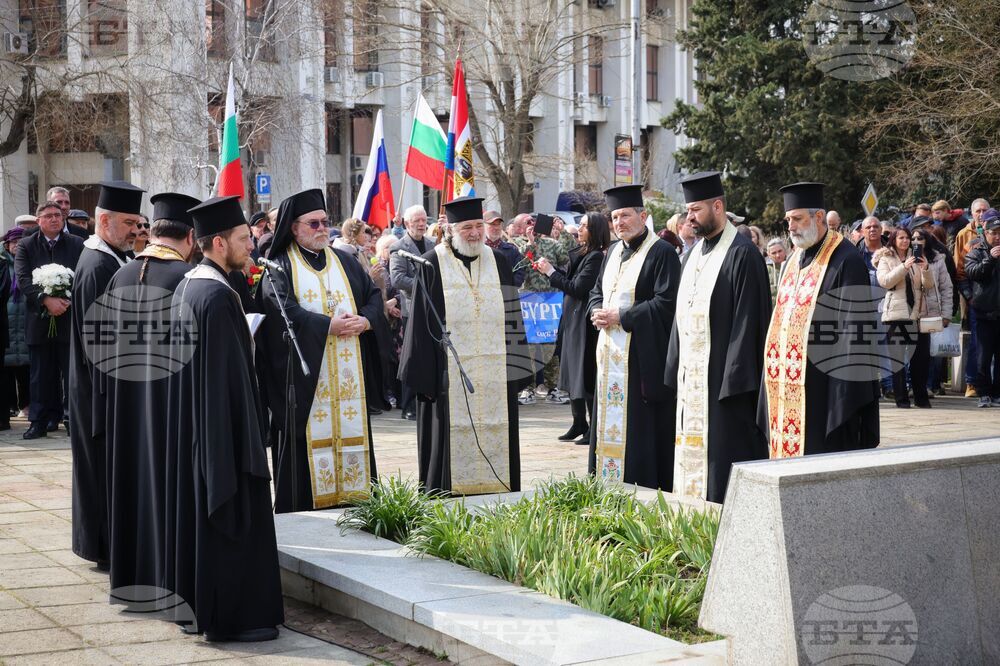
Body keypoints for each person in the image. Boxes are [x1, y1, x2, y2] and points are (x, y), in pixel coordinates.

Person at [165, 195, 283, 641]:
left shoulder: (190, 285)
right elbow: (228, 385)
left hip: (198, 429)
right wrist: (248, 441)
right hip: (222, 436)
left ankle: (201, 609)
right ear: (218, 242)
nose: (250, 246)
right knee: (230, 518)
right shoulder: (215, 296)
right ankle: (233, 617)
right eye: (242, 239)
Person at [102, 192, 199, 602]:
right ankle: (169, 578)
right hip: (168, 407)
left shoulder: (121, 276)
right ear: (191, 238)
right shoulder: (187, 281)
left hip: (126, 407)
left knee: (132, 486)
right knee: (167, 491)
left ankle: (131, 579)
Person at [261, 189, 383, 512]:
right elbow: (282, 311)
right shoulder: (278, 265)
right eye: (313, 224)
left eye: (325, 222)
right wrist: (329, 326)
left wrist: (365, 321)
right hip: (305, 389)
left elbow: (373, 297)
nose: (321, 230)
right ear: (293, 227)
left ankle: (359, 507)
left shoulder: (344, 261)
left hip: (348, 385)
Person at [398, 196, 527, 495]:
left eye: (479, 226)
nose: (474, 233)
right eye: (467, 227)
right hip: (448, 380)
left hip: (495, 377)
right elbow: (420, 324)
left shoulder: (500, 262)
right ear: (451, 230)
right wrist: (425, 379)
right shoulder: (432, 263)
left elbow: (513, 317)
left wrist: (518, 371)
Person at [665, 172, 770, 503]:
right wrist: (674, 367)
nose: (690, 218)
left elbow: (749, 323)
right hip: (692, 383)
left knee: (722, 467)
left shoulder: (742, 254)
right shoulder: (693, 254)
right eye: (688, 211)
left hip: (724, 386)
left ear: (718, 206)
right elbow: (681, 316)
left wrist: (734, 382)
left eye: (695, 210)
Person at [757, 182, 879, 457]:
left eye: (797, 219)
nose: (791, 227)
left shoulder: (846, 260)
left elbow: (854, 336)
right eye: (788, 220)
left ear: (819, 218)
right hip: (788, 384)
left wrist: (843, 399)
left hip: (824, 391)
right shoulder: (793, 259)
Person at [69, 180, 144, 569]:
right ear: (104, 221)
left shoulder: (111, 257)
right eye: (129, 222)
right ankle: (104, 547)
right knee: (100, 471)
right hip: (101, 392)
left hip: (105, 387)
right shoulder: (98, 264)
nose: (135, 229)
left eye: (137, 221)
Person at [587, 185, 681, 489]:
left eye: (625, 215)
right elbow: (596, 291)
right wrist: (595, 310)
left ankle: (639, 489)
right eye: (614, 217)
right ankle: (605, 489)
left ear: (643, 215)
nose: (619, 222)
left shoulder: (662, 252)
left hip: (641, 361)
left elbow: (666, 303)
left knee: (638, 431)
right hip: (609, 356)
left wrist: (622, 317)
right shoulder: (612, 251)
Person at [535, 212, 610, 444]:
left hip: (583, 324)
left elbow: (578, 288)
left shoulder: (596, 257)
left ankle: (592, 428)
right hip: (570, 320)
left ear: (595, 230)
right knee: (569, 372)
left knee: (584, 376)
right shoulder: (581, 252)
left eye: (584, 226)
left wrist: (550, 273)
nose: (579, 229)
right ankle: (578, 422)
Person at [14, 202, 83, 440]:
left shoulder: (76, 244)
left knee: (72, 374)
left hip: (69, 316)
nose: (55, 219)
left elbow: (83, 275)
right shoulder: (26, 245)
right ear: (38, 220)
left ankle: (73, 420)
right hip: (38, 319)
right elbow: (23, 279)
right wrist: (45, 300)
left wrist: (66, 300)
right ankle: (39, 422)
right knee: (41, 375)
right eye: (49, 216)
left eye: (58, 215)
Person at [874, 228, 934, 408]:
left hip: (916, 314)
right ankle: (902, 399)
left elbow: (928, 285)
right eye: (901, 238)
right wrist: (904, 266)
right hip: (895, 315)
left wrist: (926, 269)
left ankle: (921, 398)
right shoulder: (885, 259)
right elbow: (885, 281)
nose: (905, 241)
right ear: (893, 240)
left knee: (920, 359)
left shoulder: (917, 257)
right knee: (898, 361)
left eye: (907, 238)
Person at [389, 205, 437, 421]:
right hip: (412, 309)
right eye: (416, 220)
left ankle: (429, 398)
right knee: (411, 356)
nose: (421, 224)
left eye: (423, 220)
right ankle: (408, 405)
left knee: (430, 356)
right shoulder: (399, 247)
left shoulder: (432, 244)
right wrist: (424, 284)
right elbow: (397, 279)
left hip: (433, 309)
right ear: (407, 224)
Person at [912, 226, 955, 397]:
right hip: (911, 311)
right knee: (911, 351)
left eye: (920, 239)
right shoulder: (906, 257)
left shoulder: (938, 259)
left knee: (928, 352)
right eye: (913, 239)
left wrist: (946, 314)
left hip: (931, 311)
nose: (916, 242)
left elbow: (946, 288)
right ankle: (912, 385)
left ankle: (928, 386)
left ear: (927, 241)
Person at [955, 198, 991, 398]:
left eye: (985, 210)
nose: (981, 213)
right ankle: (972, 382)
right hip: (973, 296)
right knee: (976, 340)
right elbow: (959, 269)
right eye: (978, 210)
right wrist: (968, 296)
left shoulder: (996, 233)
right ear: (972, 212)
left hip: (993, 297)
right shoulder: (964, 235)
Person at [964, 210, 1000, 407]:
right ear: (985, 233)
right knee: (983, 356)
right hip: (983, 312)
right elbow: (974, 274)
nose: (997, 237)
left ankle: (997, 393)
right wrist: (990, 259)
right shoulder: (976, 252)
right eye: (993, 232)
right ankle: (983, 392)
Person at [1, 228, 29, 422]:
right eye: (14, 242)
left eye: (21, 241)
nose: (17, 245)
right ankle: (10, 404)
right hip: (7, 321)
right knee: (6, 368)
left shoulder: (28, 264)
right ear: (7, 245)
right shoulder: (3, 266)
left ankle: (26, 404)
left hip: (25, 321)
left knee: (26, 368)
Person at [483, 210, 525, 287]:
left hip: (507, 293)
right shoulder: (478, 249)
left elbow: (520, 272)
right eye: (492, 224)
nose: (496, 228)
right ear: (483, 226)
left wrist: (510, 286)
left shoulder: (511, 249)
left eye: (498, 224)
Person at [766, 237, 787, 302]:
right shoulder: (765, 270)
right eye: (774, 253)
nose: (778, 255)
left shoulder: (794, 266)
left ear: (785, 250)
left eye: (780, 251)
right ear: (769, 255)